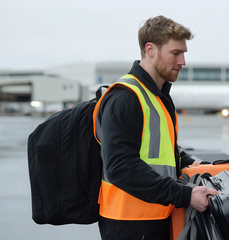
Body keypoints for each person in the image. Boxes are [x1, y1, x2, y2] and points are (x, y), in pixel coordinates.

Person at [95, 15, 219, 240]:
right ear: (150, 50)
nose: (182, 62)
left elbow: (157, 148)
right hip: (129, 222)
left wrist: (189, 162)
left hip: (156, 216)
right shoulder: (125, 97)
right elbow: (120, 166)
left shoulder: (157, 95)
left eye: (184, 54)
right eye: (175, 53)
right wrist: (185, 195)